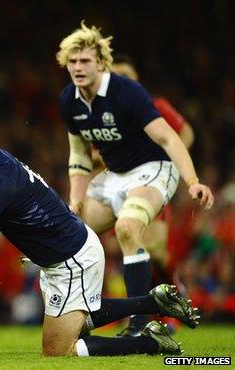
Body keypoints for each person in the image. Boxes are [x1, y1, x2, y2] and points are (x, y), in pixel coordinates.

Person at [0, 134, 199, 356]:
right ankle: (153, 302)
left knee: (58, 350)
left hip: (71, 260)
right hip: (65, 254)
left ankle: (151, 344)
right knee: (75, 321)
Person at [56, 22, 214, 335]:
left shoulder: (126, 91)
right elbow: (79, 155)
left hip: (153, 169)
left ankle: (139, 324)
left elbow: (170, 138)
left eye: (85, 60)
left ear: (101, 62)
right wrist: (76, 198)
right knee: (70, 234)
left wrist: (192, 180)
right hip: (114, 175)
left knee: (129, 229)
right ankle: (79, 317)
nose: (77, 67)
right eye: (72, 61)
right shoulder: (69, 100)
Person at [110, 54, 194, 287]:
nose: (121, 79)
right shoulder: (104, 115)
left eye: (126, 74)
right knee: (133, 247)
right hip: (120, 188)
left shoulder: (154, 106)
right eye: (115, 75)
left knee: (154, 252)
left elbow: (186, 133)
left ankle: (174, 290)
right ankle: (142, 310)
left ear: (137, 78)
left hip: (150, 184)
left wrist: (167, 160)